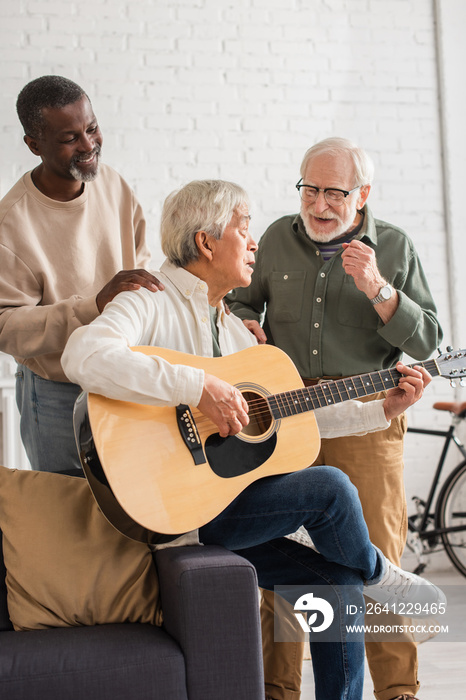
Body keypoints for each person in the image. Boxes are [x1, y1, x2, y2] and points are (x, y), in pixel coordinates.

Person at [61, 179, 444, 700]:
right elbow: (82, 356)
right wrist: (197, 385)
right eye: (246, 230)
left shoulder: (238, 334)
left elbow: (294, 415)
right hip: (172, 510)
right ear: (206, 242)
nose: (256, 244)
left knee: (337, 583)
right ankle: (383, 575)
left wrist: (381, 409)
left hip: (223, 503)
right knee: (329, 486)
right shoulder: (151, 298)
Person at [226, 138, 443, 700]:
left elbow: (428, 341)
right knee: (291, 559)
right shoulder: (274, 238)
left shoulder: (393, 247)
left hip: (370, 421)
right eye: (310, 189)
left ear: (362, 194)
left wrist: (379, 289)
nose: (319, 205)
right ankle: (281, 690)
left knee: (375, 560)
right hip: (284, 422)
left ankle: (397, 691)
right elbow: (239, 302)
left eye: (334, 193)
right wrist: (245, 324)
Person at [0, 75, 164, 472]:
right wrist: (92, 306)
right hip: (57, 393)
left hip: (124, 374)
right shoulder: (11, 223)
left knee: (134, 505)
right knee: (69, 512)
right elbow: (5, 326)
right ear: (34, 145)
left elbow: (141, 263)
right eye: (70, 138)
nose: (89, 145)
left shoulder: (111, 183)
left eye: (91, 129)